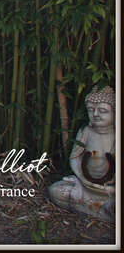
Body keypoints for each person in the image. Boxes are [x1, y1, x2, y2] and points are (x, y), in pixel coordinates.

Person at [48, 85, 115, 222]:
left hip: (109, 191)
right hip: (84, 186)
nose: (95, 114)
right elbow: (75, 157)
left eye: (102, 110)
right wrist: (82, 178)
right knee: (55, 191)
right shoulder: (85, 131)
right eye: (91, 110)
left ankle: (98, 210)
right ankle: (100, 212)